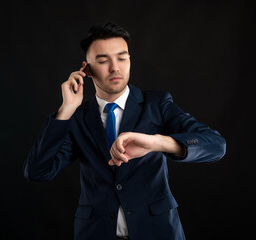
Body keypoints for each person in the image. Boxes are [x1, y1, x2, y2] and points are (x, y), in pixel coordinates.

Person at [24, 21, 226, 240]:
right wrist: (65, 110)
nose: (115, 68)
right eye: (103, 60)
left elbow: (215, 145)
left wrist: (157, 143)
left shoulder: (156, 104)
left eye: (122, 58)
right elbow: (38, 171)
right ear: (86, 69)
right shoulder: (77, 118)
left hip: (158, 232)